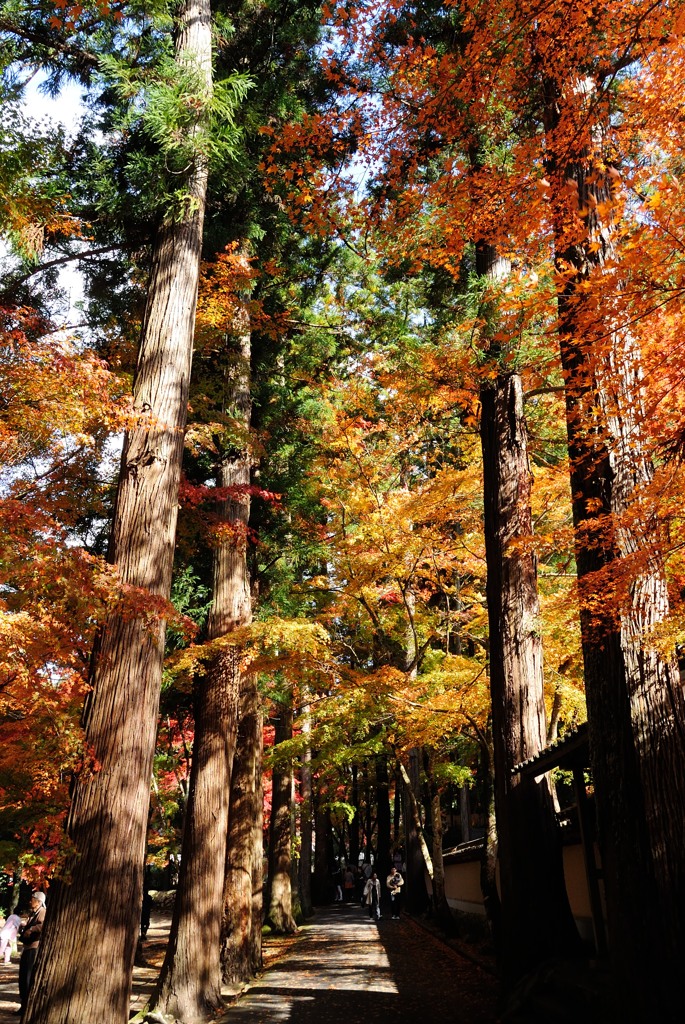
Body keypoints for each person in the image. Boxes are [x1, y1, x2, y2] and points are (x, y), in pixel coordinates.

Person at [18, 892, 46, 1016]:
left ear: (38, 901)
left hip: (33, 947)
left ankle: (26, 1005)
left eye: (33, 899)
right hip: (28, 947)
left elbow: (42, 925)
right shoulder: (34, 912)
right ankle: (23, 1003)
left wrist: (31, 929)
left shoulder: (42, 911)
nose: (31, 901)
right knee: (23, 976)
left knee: (27, 976)